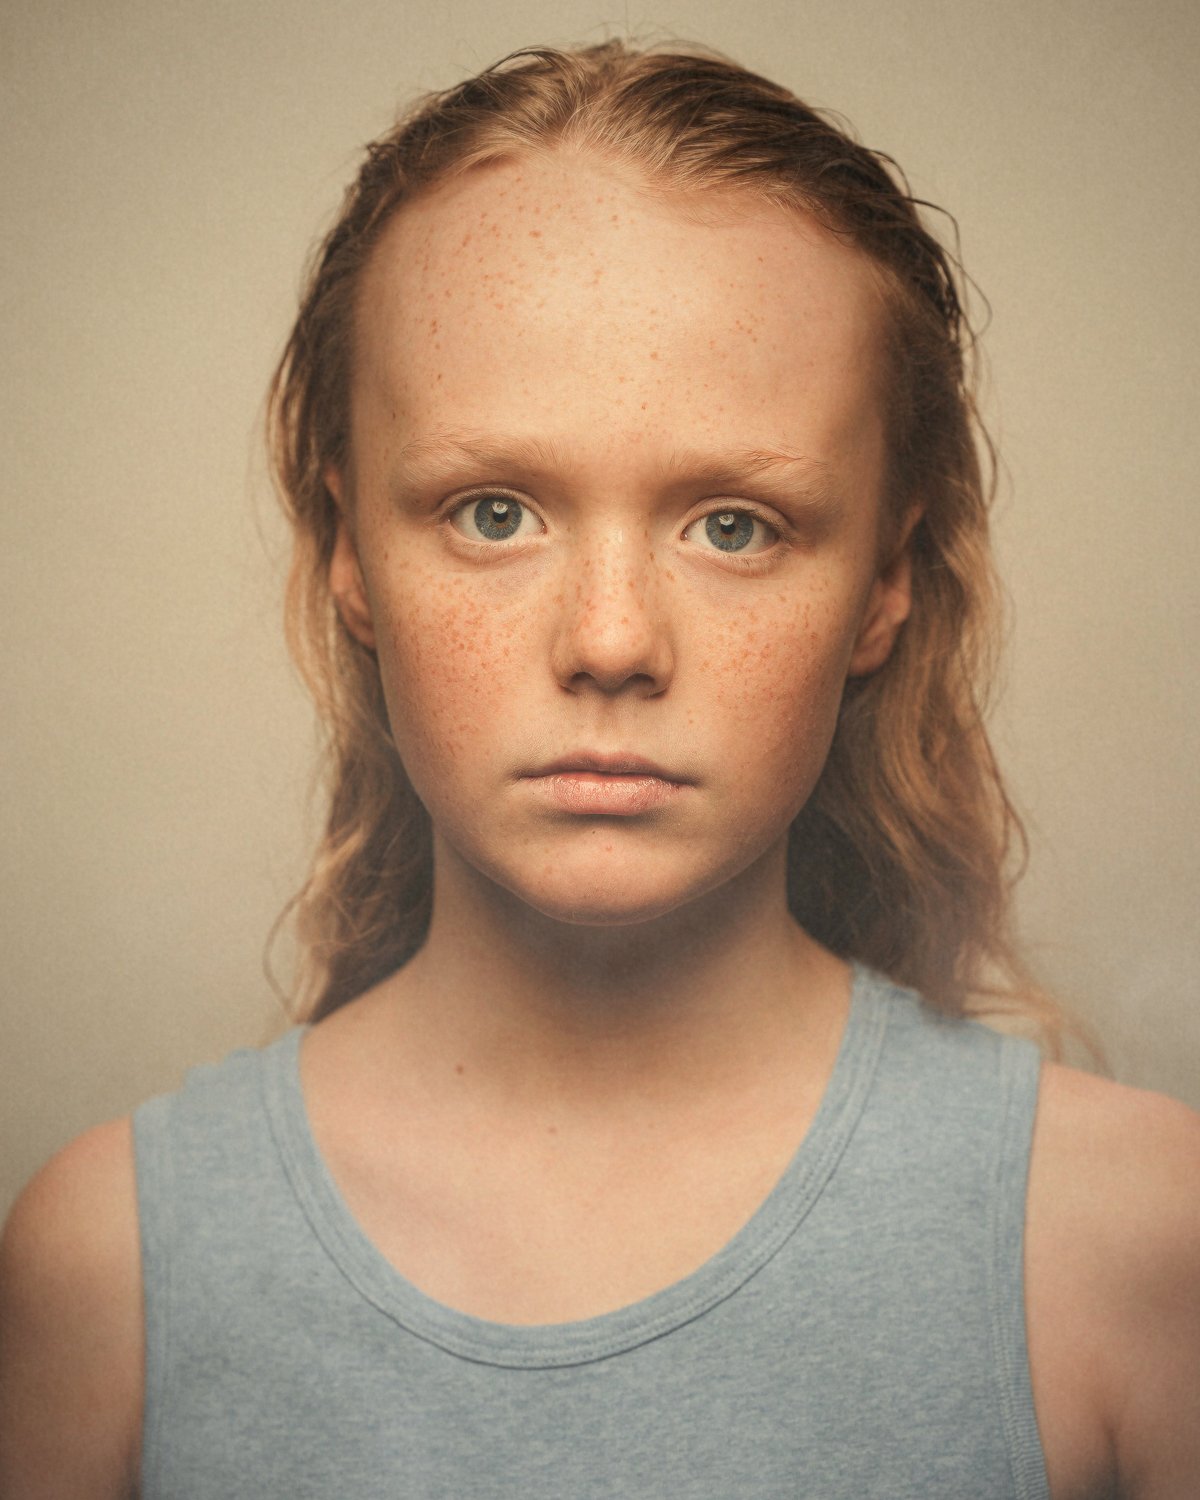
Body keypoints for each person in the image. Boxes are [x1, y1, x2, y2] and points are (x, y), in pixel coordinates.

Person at [1, 39, 1197, 1498]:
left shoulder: (1138, 1244)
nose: (612, 641)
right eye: (493, 513)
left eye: (736, 525)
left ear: (887, 577)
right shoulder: (109, 1272)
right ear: (346, 554)